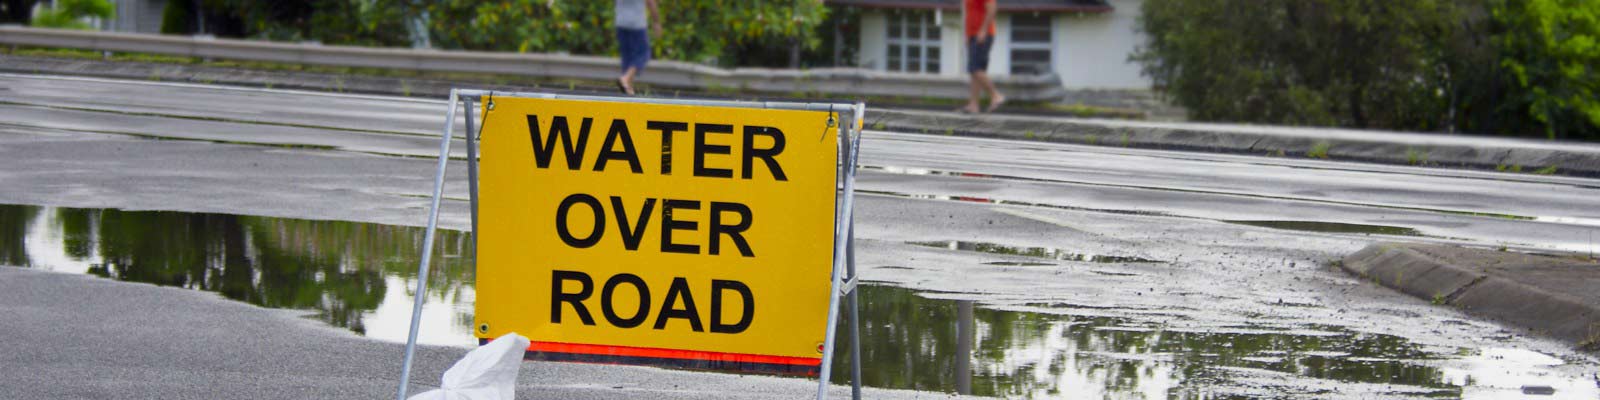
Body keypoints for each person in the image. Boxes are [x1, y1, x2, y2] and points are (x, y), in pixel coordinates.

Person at [959, 0, 1005, 113]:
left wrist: (983, 30)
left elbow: (992, 8)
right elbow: (970, 13)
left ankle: (996, 95)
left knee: (975, 68)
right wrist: (967, 36)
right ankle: (973, 105)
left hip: (983, 34)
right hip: (973, 35)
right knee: (974, 71)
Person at [615, 0, 660, 96]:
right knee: (644, 53)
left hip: (621, 23)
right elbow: (651, 2)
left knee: (627, 57)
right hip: (636, 24)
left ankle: (628, 90)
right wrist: (656, 22)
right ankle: (626, 79)